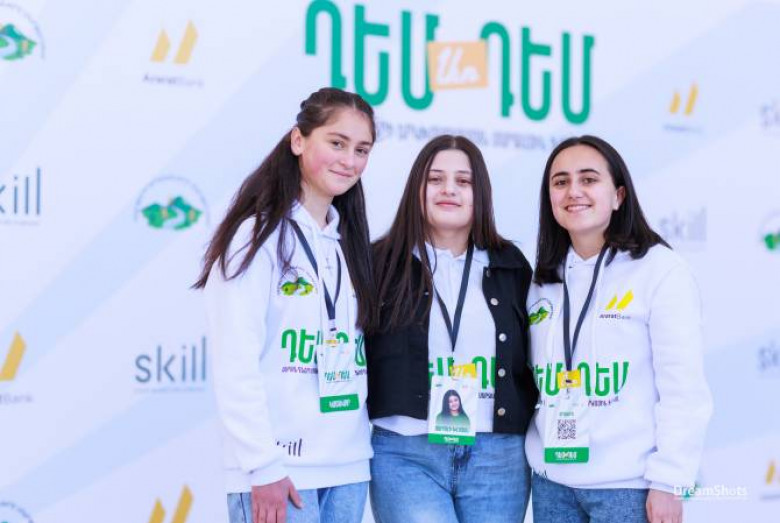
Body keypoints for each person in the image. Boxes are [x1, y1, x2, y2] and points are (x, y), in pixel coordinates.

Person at [194, 87, 376, 523]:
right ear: (298, 140)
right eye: (337, 143)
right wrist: (262, 465)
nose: (349, 160)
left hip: (348, 468)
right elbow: (235, 361)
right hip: (280, 470)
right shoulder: (255, 238)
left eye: (361, 150)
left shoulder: (349, 244)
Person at [526, 135, 712, 523]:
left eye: (588, 179)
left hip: (629, 487)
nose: (573, 191)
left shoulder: (660, 271)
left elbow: (683, 387)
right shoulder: (543, 280)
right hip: (551, 484)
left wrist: (670, 481)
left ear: (618, 195)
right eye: (560, 182)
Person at [365, 135, 538, 523]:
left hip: (497, 455)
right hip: (406, 451)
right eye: (435, 179)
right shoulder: (380, 262)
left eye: (463, 181)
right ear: (417, 188)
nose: (449, 189)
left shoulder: (511, 265)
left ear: (481, 193)